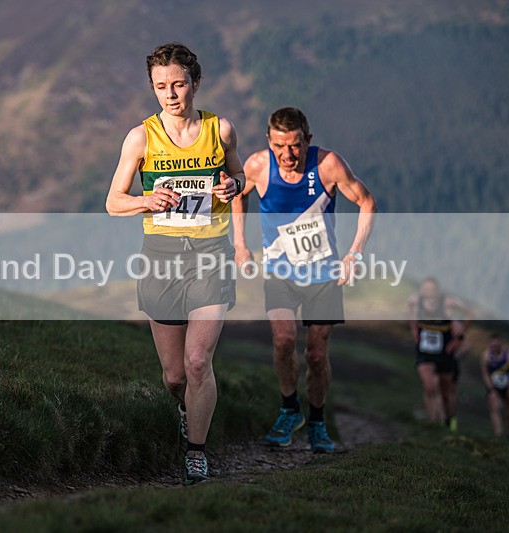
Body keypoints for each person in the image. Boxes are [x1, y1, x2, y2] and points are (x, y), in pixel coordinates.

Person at [106, 43, 245, 484]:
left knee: (198, 362)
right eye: (161, 86)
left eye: (179, 84)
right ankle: (186, 410)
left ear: (196, 83)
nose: (170, 94)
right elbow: (112, 202)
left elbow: (240, 176)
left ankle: (196, 453)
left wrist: (232, 187)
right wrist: (147, 199)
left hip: (210, 254)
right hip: (162, 256)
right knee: (173, 375)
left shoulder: (220, 131)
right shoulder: (141, 137)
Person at [232, 107, 376, 452]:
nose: (287, 155)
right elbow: (239, 194)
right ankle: (288, 409)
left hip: (323, 274)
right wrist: (240, 244)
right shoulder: (257, 166)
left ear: (307, 141)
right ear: (269, 141)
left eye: (295, 146)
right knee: (283, 340)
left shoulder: (328, 165)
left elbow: (367, 202)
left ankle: (317, 422)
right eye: (279, 146)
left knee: (314, 354)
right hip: (280, 272)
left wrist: (353, 254)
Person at [408, 277, 473, 431]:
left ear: (437, 291)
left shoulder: (448, 303)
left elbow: (470, 314)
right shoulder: (415, 301)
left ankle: (450, 421)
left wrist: (458, 339)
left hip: (444, 350)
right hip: (424, 351)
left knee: (446, 391)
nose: (429, 292)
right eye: (426, 289)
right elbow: (410, 313)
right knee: (430, 386)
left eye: (432, 289)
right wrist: (414, 331)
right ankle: (431, 423)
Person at [480, 333, 509, 437]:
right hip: (494, 385)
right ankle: (498, 434)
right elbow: (485, 373)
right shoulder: (486, 356)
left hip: (508, 385)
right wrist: (491, 388)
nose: (494, 347)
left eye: (497, 344)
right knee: (495, 407)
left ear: (501, 343)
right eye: (492, 345)